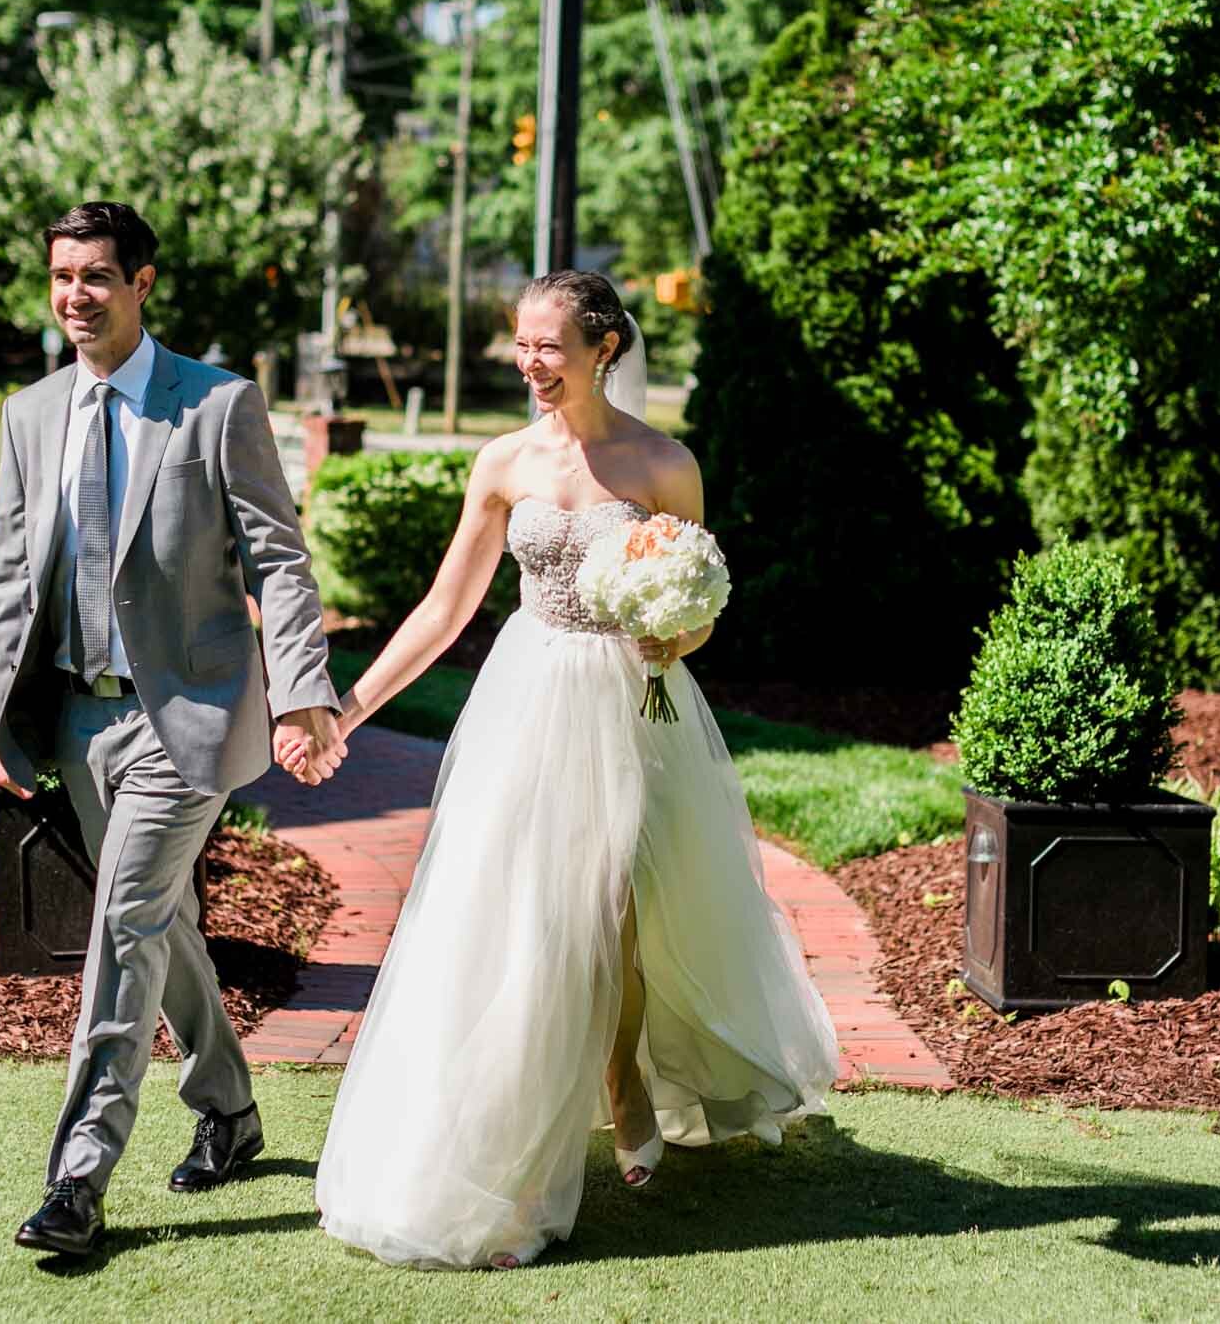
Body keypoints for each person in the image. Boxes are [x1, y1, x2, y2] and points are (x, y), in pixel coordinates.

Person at [309, 270, 840, 1270]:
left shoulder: (660, 463)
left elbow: (701, 603)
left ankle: (626, 1089)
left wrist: (680, 637)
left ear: (603, 348)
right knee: (520, 912)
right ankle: (508, 1141)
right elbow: (443, 608)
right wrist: (349, 706)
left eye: (547, 344)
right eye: (519, 342)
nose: (528, 361)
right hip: (529, 699)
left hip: (635, 708)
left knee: (611, 906)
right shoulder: (502, 463)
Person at [0, 201, 345, 1257]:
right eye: (60, 276)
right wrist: (1, 721)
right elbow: (13, 579)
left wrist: (303, 690)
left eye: (96, 276)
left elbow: (277, 557)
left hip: (184, 717)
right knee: (157, 926)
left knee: (123, 925)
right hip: (78, 717)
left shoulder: (216, 405)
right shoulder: (29, 413)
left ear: (143, 283)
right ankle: (228, 1111)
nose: (74, 297)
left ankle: (79, 1178)